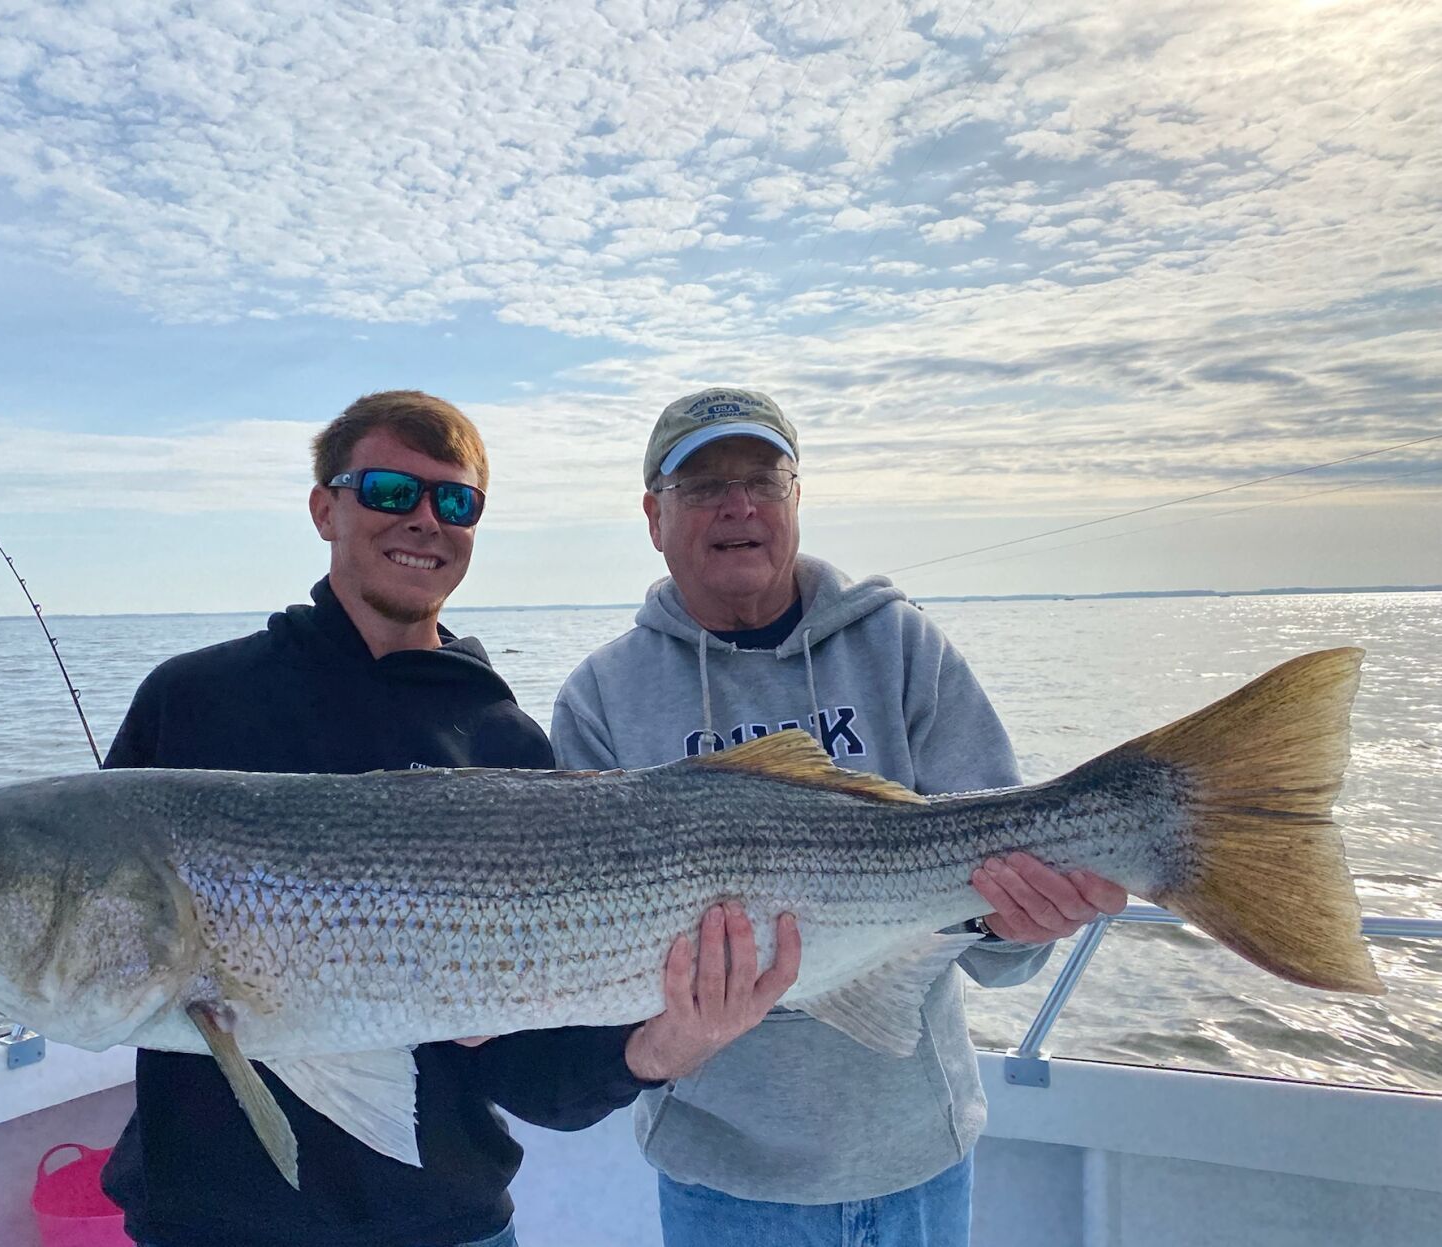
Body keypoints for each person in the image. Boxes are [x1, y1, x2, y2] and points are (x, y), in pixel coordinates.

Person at [100, 390, 799, 1247]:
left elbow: (537, 1071)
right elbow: (102, 937)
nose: (426, 518)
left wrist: (673, 1042)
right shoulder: (189, 704)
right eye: (391, 490)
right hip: (203, 1225)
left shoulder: (505, 743)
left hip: (448, 1227)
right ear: (325, 507)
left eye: (455, 500)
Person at [550, 387, 1127, 1247]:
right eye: (704, 485)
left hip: (916, 1157)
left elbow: (1006, 955)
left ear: (795, 499)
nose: (739, 505)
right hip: (723, 1178)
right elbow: (590, 970)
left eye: (763, 479)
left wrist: (1024, 922)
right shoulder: (599, 699)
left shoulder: (899, 646)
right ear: (653, 515)